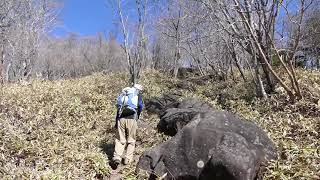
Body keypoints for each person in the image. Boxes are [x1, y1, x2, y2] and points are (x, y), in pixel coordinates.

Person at [112, 84, 144, 167]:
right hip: (132, 119)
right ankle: (127, 160)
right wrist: (138, 116)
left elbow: (118, 109)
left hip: (121, 118)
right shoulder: (138, 96)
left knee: (120, 139)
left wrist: (116, 122)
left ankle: (117, 157)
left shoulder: (124, 94)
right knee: (131, 140)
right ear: (139, 90)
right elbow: (140, 106)